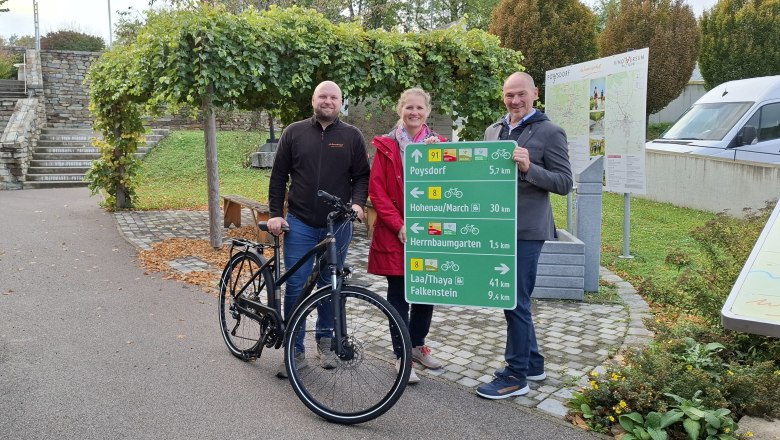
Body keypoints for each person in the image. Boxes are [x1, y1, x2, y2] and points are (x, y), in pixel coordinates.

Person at [476, 72, 573, 399]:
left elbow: (563, 183)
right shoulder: (494, 131)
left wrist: (529, 168)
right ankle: (533, 363)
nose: (515, 101)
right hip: (496, 228)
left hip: (527, 231)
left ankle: (515, 375)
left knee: (514, 300)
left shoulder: (550, 132)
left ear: (535, 93)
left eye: (521, 94)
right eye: (509, 95)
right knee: (513, 299)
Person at [267, 80, 371, 378]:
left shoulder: (352, 136)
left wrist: (358, 204)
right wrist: (276, 214)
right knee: (297, 286)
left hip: (338, 225)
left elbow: (361, 176)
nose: (328, 101)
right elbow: (278, 177)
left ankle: (325, 343)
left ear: (341, 102)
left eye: (333, 97)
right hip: (299, 223)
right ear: (313, 100)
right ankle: (294, 349)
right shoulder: (294, 132)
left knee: (330, 286)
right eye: (322, 96)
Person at [368, 88, 447, 384]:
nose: (414, 112)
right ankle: (402, 356)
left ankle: (416, 346)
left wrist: (436, 159)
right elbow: (378, 192)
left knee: (427, 293)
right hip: (395, 234)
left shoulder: (438, 145)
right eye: (409, 107)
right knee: (399, 296)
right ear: (400, 109)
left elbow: (451, 188)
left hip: (429, 234)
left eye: (420, 108)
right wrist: (399, 225)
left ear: (427, 111)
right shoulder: (387, 145)